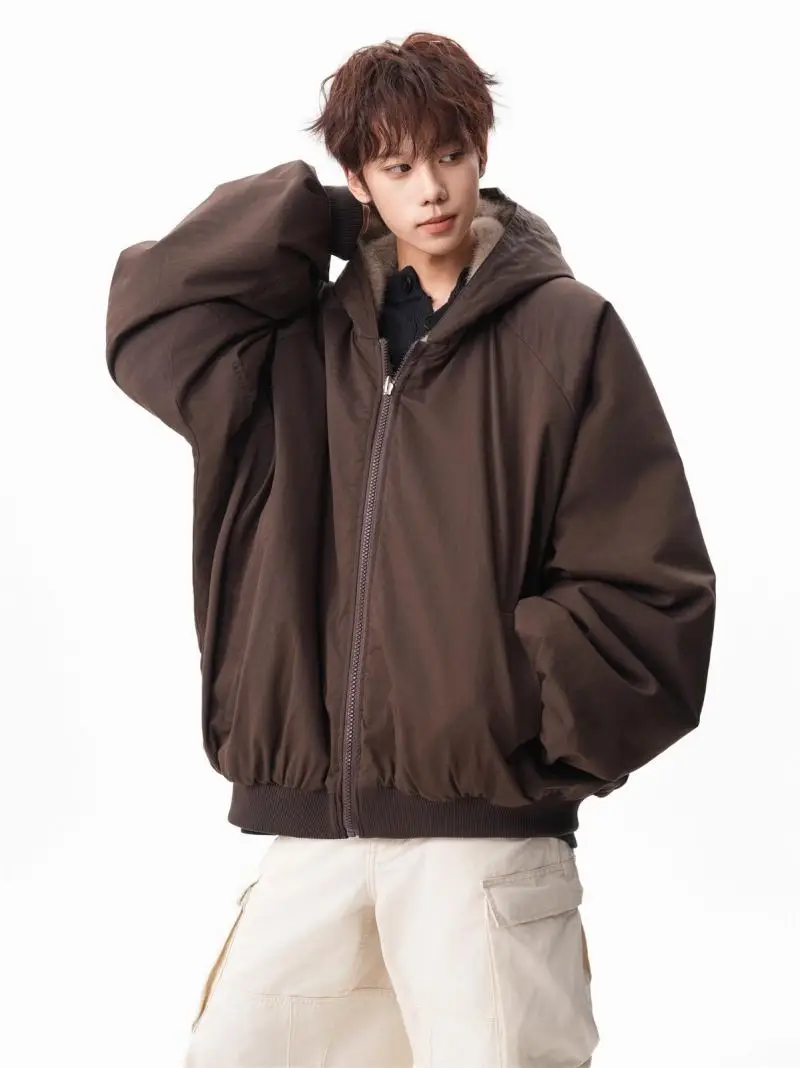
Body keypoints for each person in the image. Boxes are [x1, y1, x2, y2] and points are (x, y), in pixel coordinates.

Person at [105, 30, 716, 1068]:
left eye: (449, 154)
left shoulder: (565, 333)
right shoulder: (293, 344)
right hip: (314, 838)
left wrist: (508, 708)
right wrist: (315, 214)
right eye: (395, 167)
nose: (431, 189)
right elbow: (151, 312)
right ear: (358, 181)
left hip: (480, 846)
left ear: (481, 154)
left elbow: (651, 581)